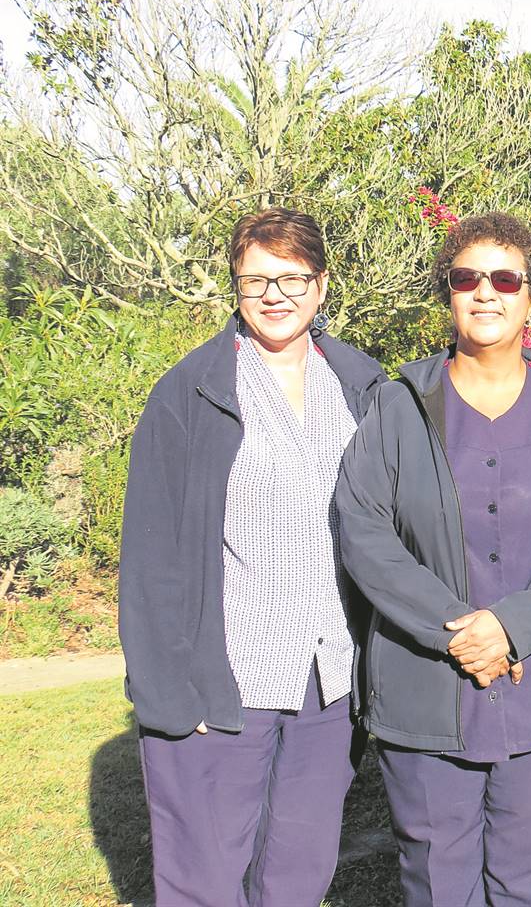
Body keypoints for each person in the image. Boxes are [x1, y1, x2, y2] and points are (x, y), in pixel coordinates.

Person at [119, 207, 387, 906]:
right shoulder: (192, 392)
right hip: (225, 681)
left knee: (298, 873)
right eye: (255, 279)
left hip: (329, 678)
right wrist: (168, 693)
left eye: (292, 278)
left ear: (321, 285)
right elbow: (151, 556)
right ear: (235, 286)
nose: (275, 295)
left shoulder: (360, 386)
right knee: (204, 879)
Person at [334, 211, 531, 907]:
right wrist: (459, 628)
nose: (485, 292)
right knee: (438, 886)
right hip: (424, 690)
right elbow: (364, 531)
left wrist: (513, 625)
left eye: (505, 280)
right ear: (447, 293)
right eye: (466, 278)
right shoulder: (398, 406)